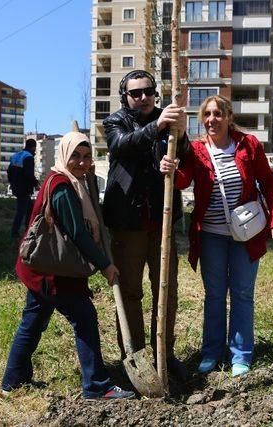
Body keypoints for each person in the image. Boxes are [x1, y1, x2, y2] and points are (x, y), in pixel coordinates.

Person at [2, 132, 134, 400]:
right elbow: (78, 233)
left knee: (33, 320)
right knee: (84, 318)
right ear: (63, 155)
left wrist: (87, 176)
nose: (82, 162)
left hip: (42, 267)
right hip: (53, 272)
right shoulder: (62, 186)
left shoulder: (71, 180)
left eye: (87, 157)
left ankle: (12, 381)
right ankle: (97, 386)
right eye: (75, 156)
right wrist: (106, 265)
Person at [160, 95, 273, 377]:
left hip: (246, 235)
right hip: (211, 237)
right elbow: (184, 180)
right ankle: (212, 352)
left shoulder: (248, 144)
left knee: (242, 294)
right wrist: (170, 170)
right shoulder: (196, 149)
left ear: (228, 117)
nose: (211, 120)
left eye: (217, 114)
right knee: (214, 295)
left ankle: (240, 355)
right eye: (207, 114)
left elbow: (267, 182)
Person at [102, 69, 190, 380]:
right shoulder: (116, 122)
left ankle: (165, 351)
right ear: (124, 98)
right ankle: (136, 355)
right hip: (128, 223)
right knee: (130, 292)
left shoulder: (171, 120)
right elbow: (123, 146)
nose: (143, 98)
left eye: (148, 91)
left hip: (163, 223)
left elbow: (187, 155)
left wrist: (175, 153)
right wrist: (159, 125)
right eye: (135, 93)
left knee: (167, 291)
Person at [8, 139, 39, 238]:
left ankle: (27, 230)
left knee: (30, 208)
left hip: (16, 186)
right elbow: (28, 174)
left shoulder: (16, 156)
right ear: (33, 147)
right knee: (21, 211)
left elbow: (9, 171)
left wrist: (12, 183)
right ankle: (14, 233)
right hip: (24, 188)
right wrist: (36, 183)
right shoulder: (28, 157)